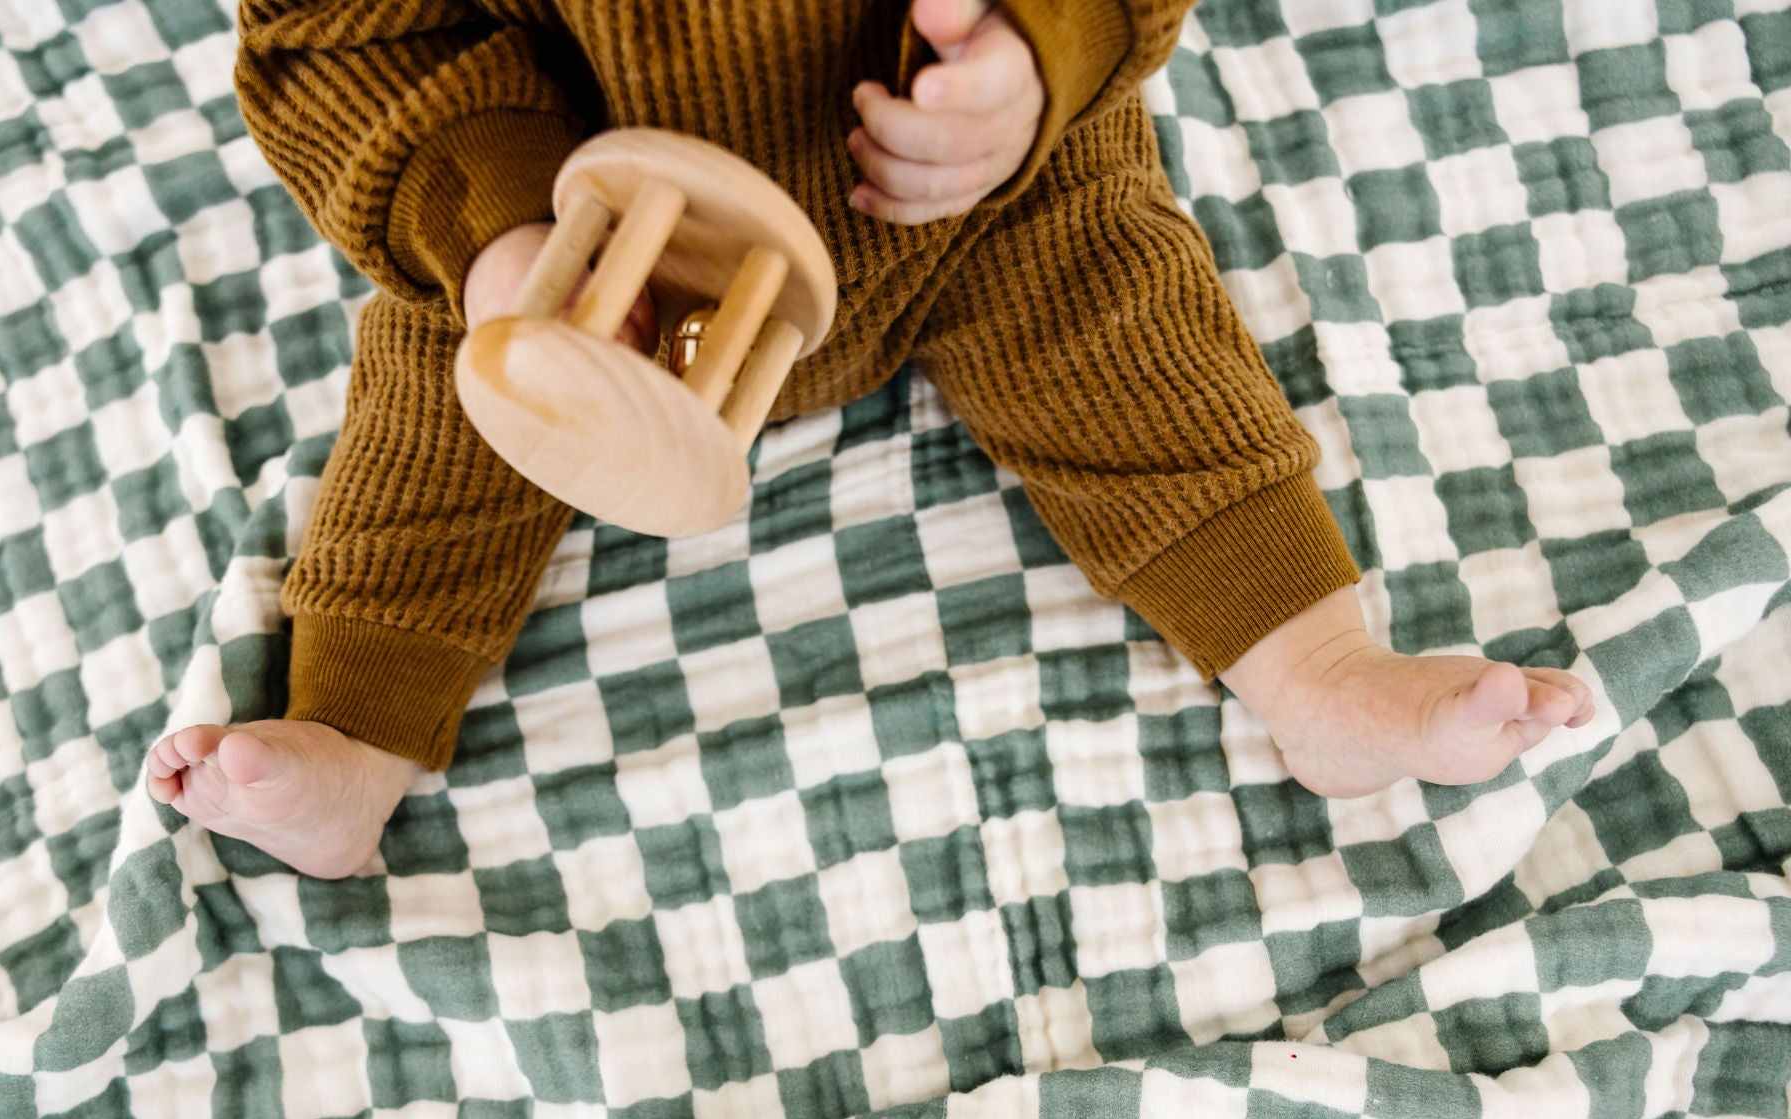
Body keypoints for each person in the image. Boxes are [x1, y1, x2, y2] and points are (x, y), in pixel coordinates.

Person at [148, 0, 1593, 878]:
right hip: (599, 234)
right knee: (442, 403)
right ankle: (357, 735)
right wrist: (494, 228)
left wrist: (1034, 59)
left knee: (1120, 318)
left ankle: (1318, 665)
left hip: (961, 190)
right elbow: (340, 39)